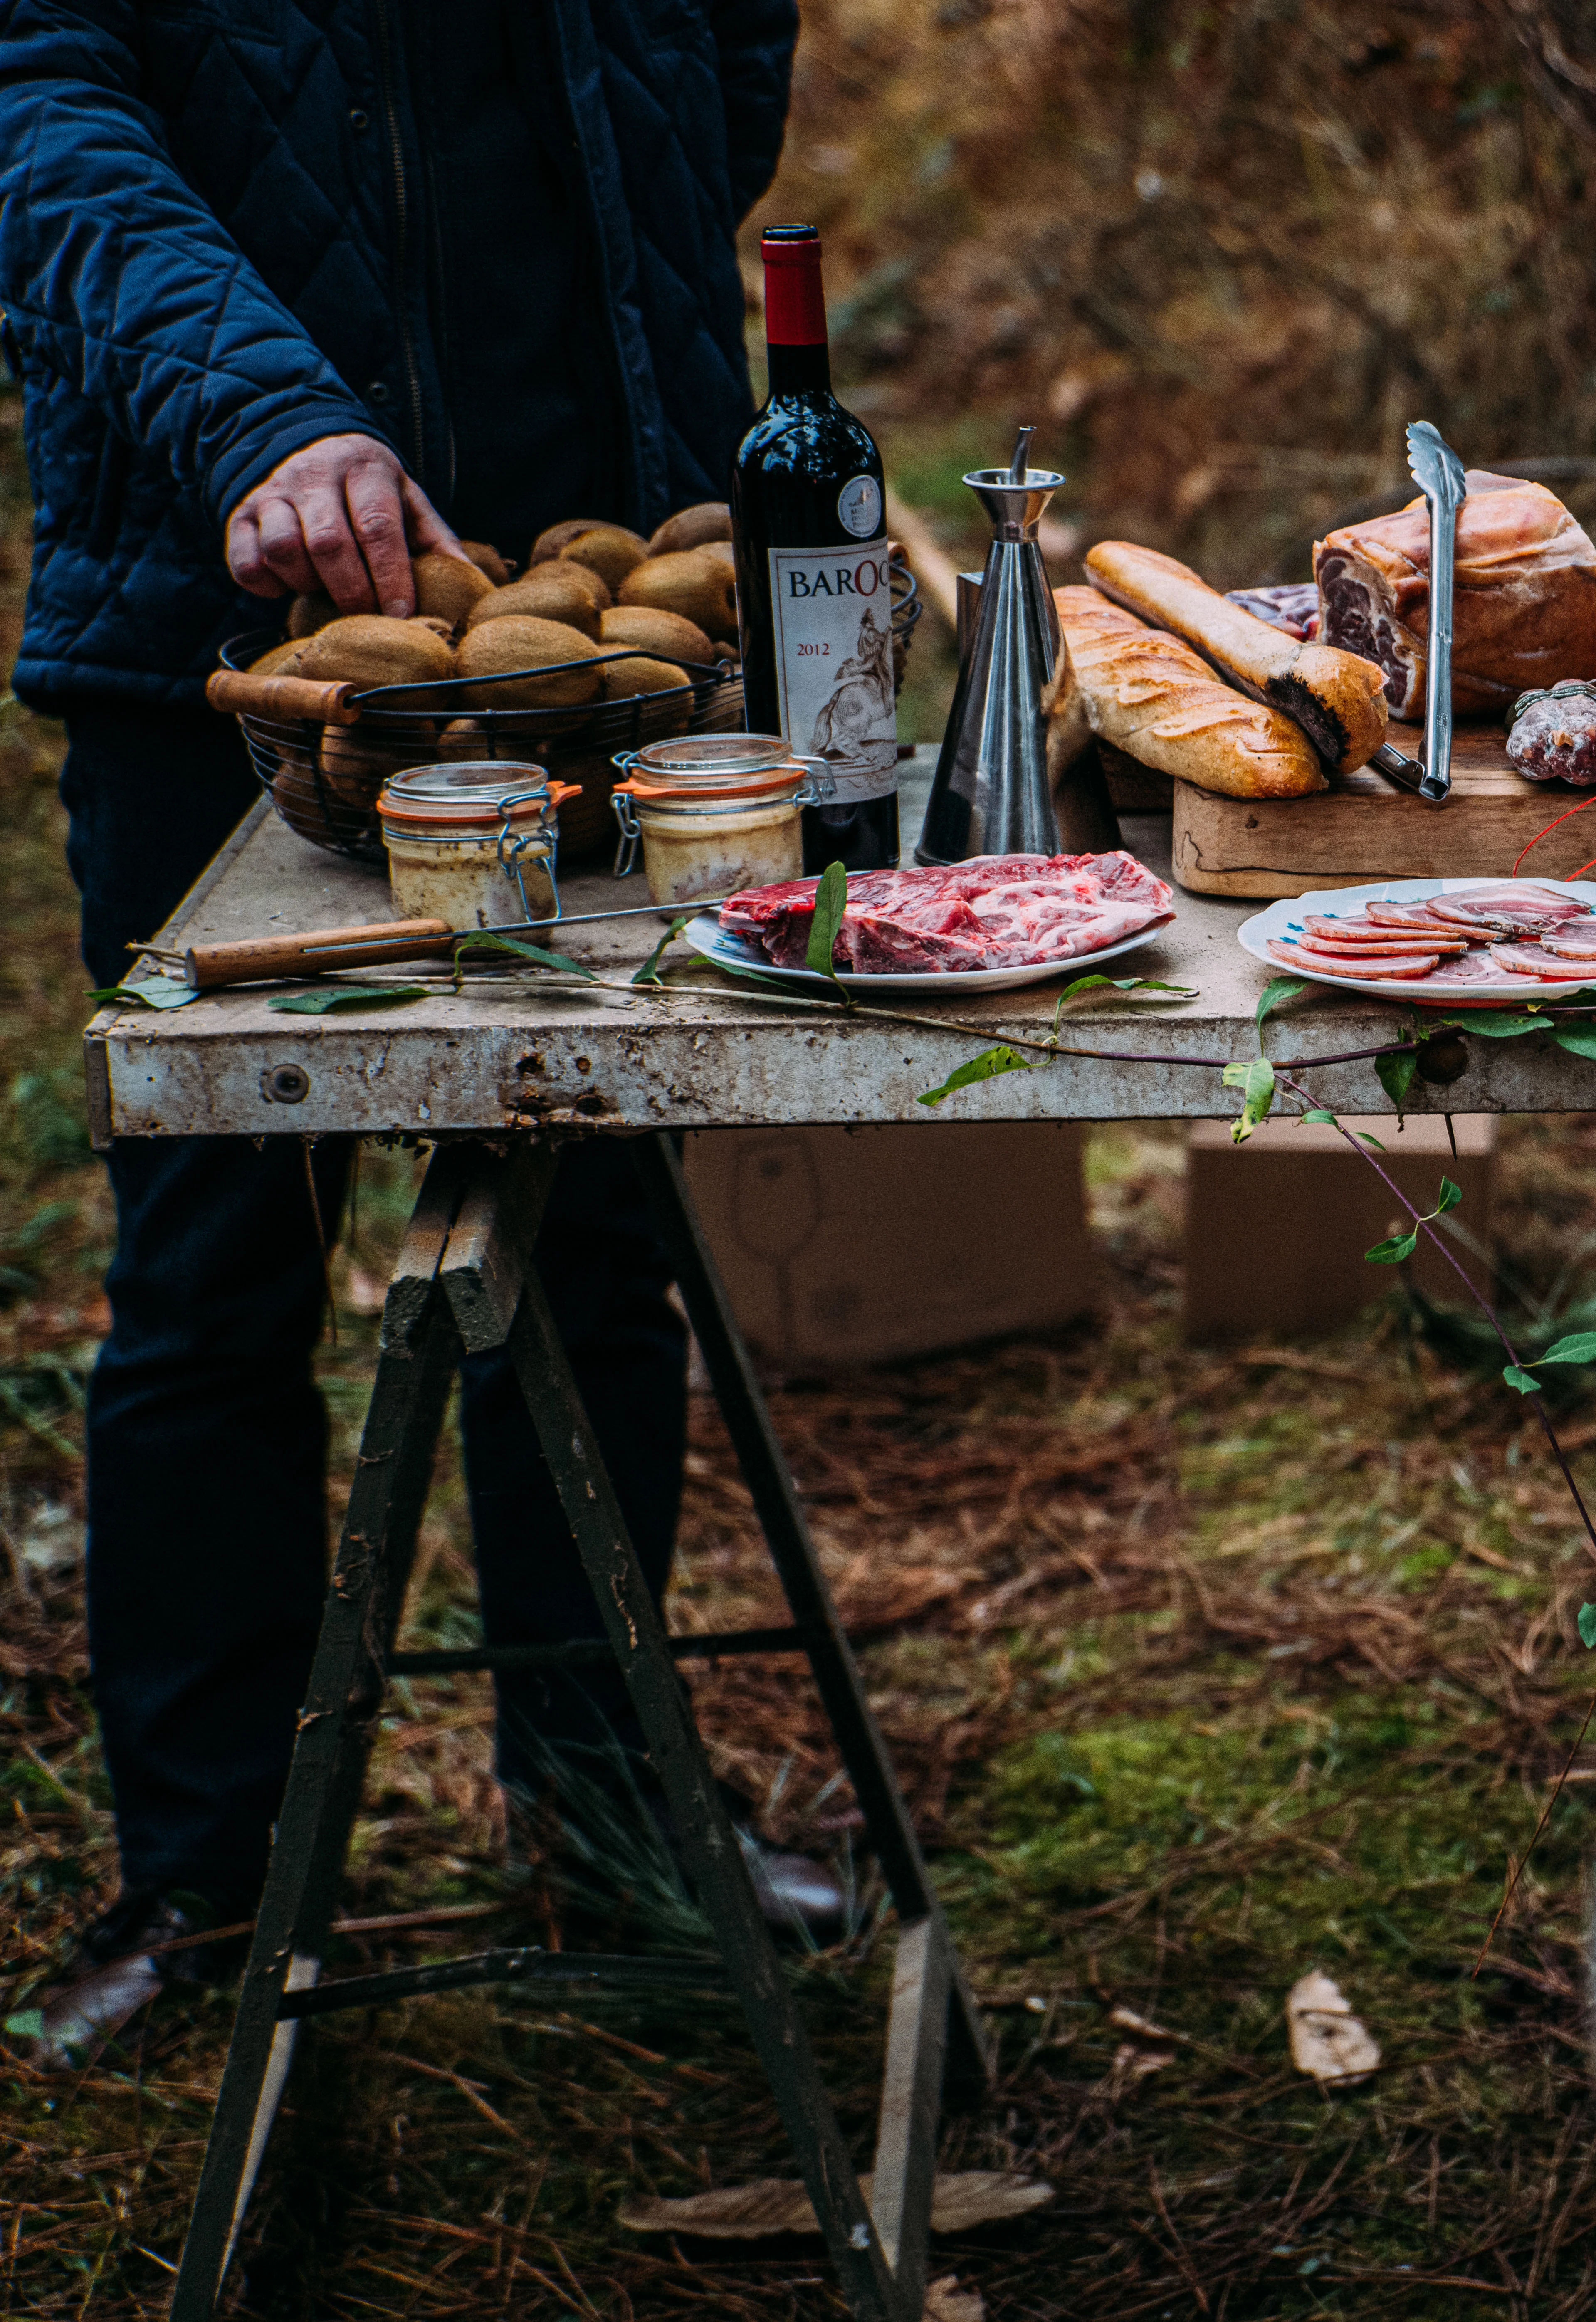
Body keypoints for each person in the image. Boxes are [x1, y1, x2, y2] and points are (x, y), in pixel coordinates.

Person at [0, 1, 846, 2070]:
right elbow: (32, 104)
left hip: (601, 631)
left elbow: (718, 70)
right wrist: (260, 414)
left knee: (602, 1238)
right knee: (212, 1263)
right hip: (218, 618)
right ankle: (203, 1879)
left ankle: (602, 1802)